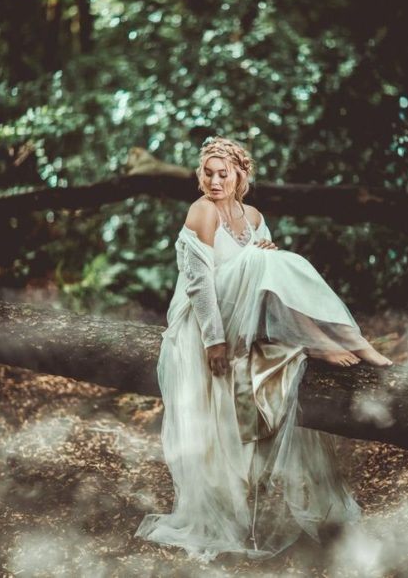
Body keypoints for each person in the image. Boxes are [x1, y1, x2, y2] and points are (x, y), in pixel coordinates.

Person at [134, 136, 392, 562]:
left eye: (224, 173)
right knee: (267, 260)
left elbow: (276, 290)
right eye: (208, 173)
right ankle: (334, 342)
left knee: (272, 259)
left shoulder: (253, 215)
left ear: (240, 176)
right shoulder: (200, 211)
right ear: (201, 176)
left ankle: (339, 342)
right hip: (207, 322)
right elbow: (199, 285)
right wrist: (214, 341)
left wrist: (261, 252)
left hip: (249, 318)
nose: (215, 181)